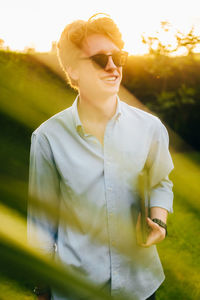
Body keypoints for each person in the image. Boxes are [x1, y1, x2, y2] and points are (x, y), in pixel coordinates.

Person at [28, 14, 174, 300]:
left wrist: (159, 221)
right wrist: (43, 288)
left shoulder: (151, 128)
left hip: (140, 286)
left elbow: (160, 182)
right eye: (98, 59)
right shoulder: (47, 138)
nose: (112, 68)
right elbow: (42, 223)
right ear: (73, 71)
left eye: (117, 57)